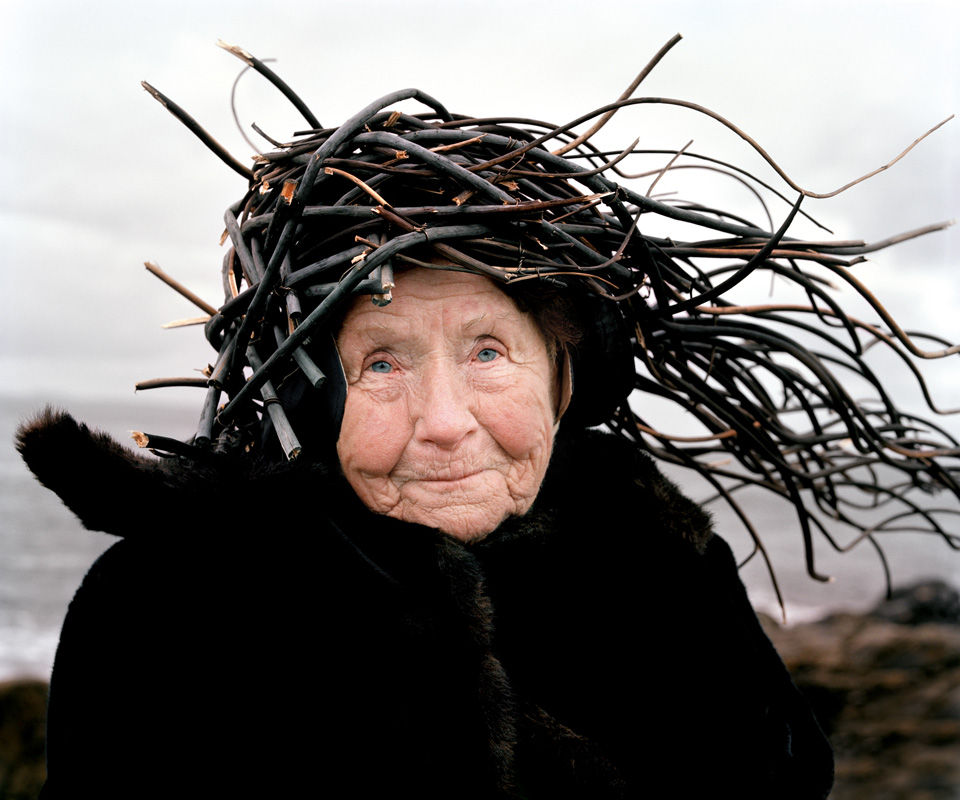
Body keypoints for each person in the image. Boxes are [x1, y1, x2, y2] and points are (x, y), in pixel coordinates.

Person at [18, 40, 958, 799]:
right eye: (381, 362)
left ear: (560, 375)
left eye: (486, 351)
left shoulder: (657, 547)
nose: (444, 423)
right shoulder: (162, 604)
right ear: (312, 396)